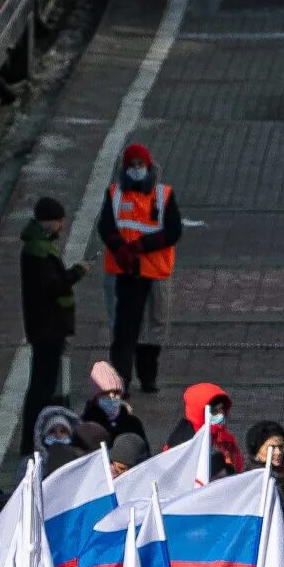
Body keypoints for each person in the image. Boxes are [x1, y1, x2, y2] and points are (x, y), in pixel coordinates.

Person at [96, 141, 184, 392]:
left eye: (140, 165)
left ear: (149, 166)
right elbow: (106, 227)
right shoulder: (115, 194)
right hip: (124, 274)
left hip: (154, 272)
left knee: (154, 327)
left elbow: (173, 231)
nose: (136, 169)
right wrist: (121, 249)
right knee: (124, 331)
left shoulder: (163, 195)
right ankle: (122, 381)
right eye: (132, 165)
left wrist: (140, 246)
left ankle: (148, 376)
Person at [19, 197, 80, 408]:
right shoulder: (37, 251)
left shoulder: (39, 247)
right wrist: (75, 273)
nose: (61, 226)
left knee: (44, 382)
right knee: (43, 384)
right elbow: (50, 287)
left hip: (46, 326)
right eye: (58, 221)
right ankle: (32, 432)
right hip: (47, 327)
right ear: (48, 221)